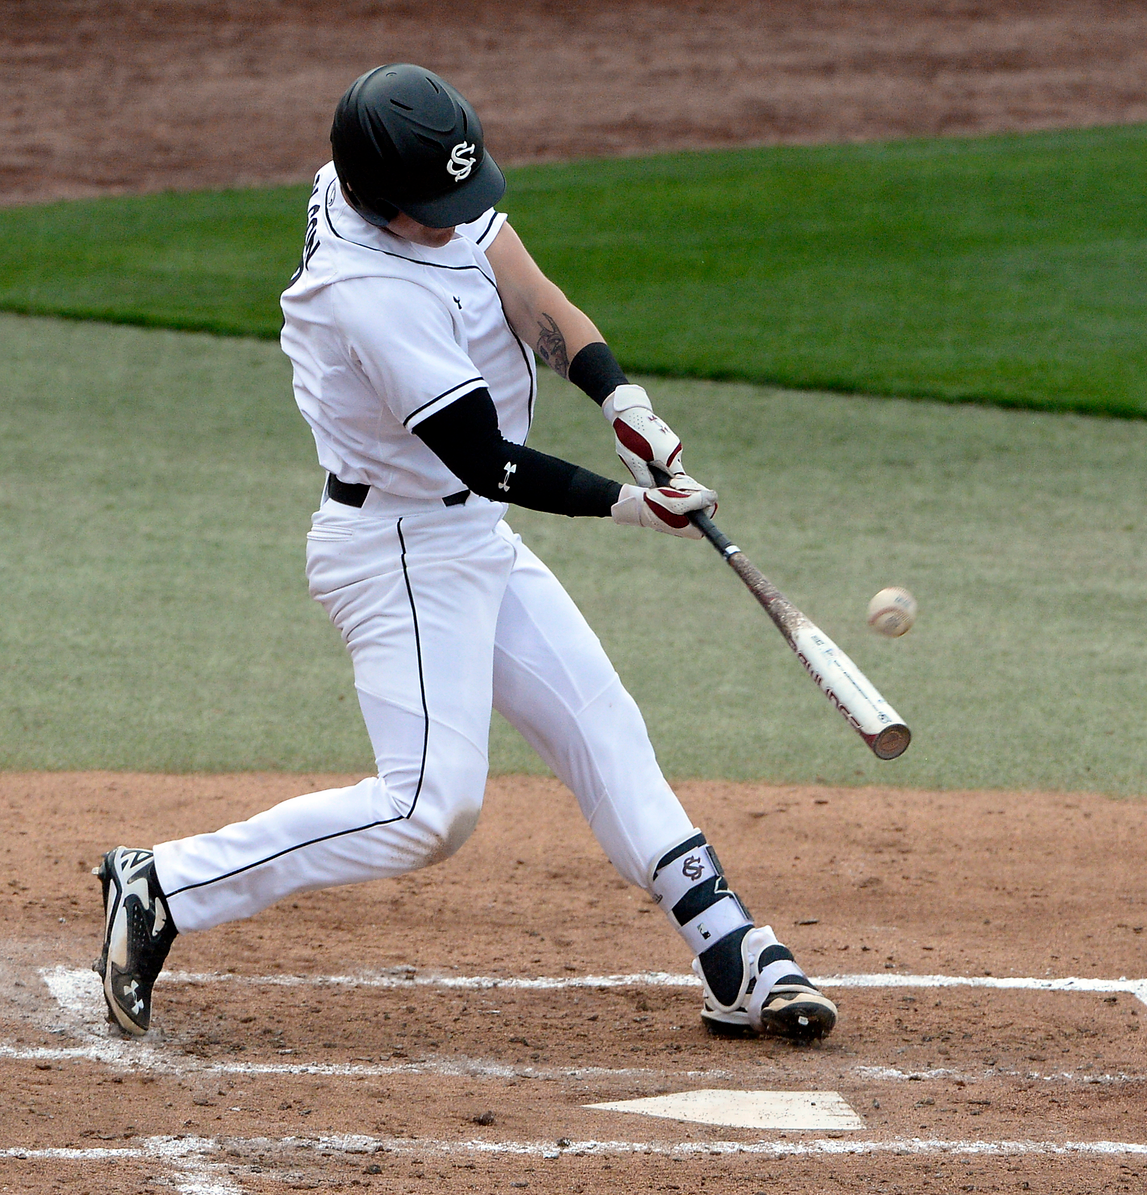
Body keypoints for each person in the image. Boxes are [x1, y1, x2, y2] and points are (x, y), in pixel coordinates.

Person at [92, 64, 837, 1044]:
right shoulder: (365, 292)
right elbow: (483, 458)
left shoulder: (400, 180)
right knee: (426, 808)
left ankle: (730, 949)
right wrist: (629, 505)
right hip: (398, 550)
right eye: (434, 211)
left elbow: (529, 292)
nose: (455, 220)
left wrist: (622, 401)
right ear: (377, 200)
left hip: (465, 532)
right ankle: (164, 882)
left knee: (601, 725)